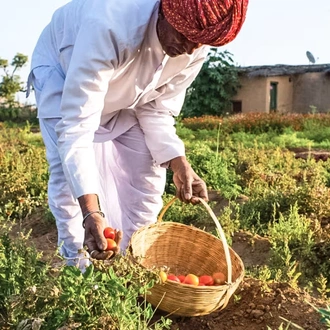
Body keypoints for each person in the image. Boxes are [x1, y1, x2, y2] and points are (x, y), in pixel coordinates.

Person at [27, 0, 248, 270]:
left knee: (149, 174)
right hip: (63, 75)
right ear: (167, 12)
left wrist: (179, 163)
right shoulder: (109, 26)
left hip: (128, 97)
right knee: (67, 180)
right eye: (184, 35)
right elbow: (76, 128)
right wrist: (91, 213)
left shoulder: (193, 50)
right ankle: (77, 269)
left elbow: (157, 111)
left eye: (199, 42)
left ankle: (135, 266)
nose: (190, 48)